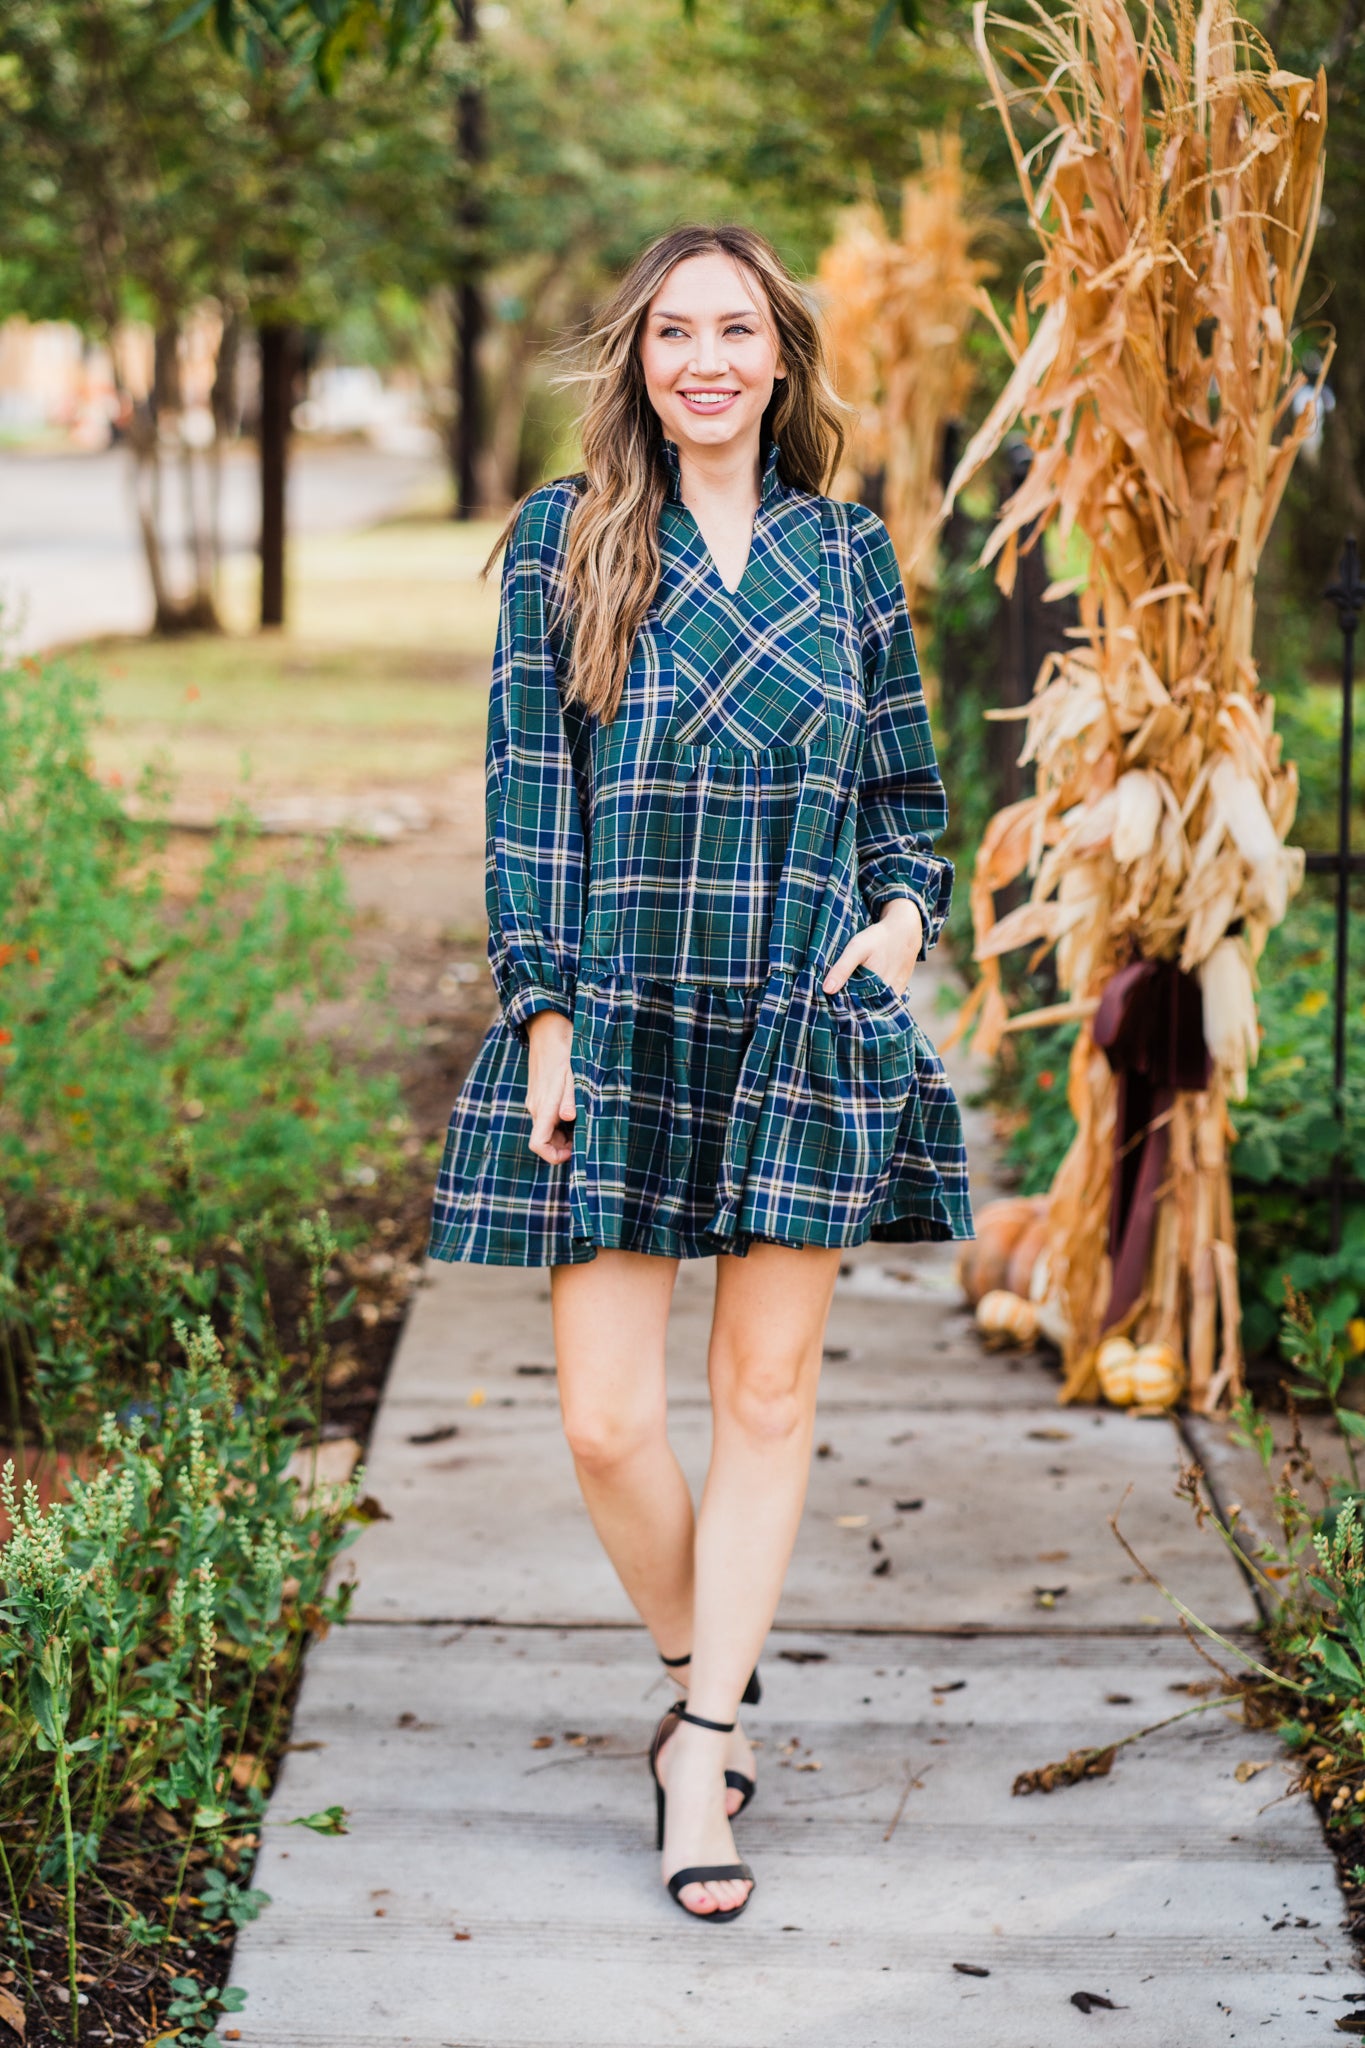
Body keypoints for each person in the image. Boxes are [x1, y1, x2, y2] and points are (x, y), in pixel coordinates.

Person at [429, 223, 972, 1925]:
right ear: (640, 363)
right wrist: (544, 1016)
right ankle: (695, 1677)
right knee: (603, 1423)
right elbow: (528, 802)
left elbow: (909, 807)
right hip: (624, 1004)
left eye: (737, 329)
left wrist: (894, 932)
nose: (708, 359)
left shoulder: (847, 557)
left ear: (781, 360)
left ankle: (707, 1743)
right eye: (677, 331)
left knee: (763, 1399)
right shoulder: (564, 544)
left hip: (798, 1016)